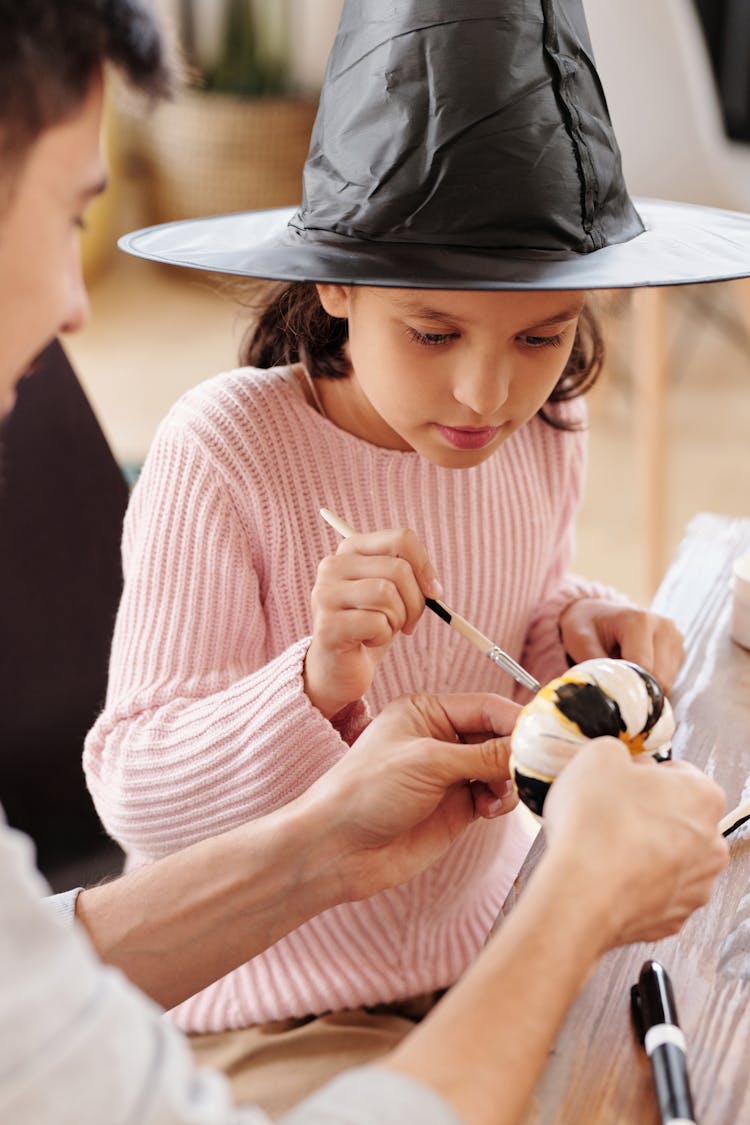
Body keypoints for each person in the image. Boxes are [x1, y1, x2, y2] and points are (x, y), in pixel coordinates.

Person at [0, 7, 735, 1121]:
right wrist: (317, 682)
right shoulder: (227, 454)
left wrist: (579, 633)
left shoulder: (547, 435)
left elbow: (521, 616)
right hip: (259, 1012)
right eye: (433, 334)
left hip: (483, 954)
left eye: (540, 338)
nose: (488, 394)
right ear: (334, 286)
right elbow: (135, 791)